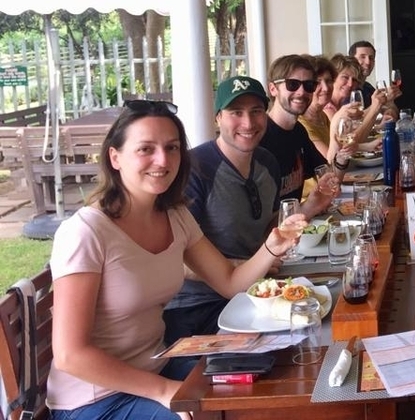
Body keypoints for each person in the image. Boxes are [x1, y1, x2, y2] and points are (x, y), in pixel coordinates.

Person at [47, 100, 304, 419]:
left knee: (266, 381)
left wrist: (271, 247)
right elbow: (71, 356)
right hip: (94, 400)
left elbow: (229, 282)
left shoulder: (175, 215)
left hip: (157, 366)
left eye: (172, 147)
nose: (162, 159)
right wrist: (164, 390)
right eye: (145, 149)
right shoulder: (86, 232)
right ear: (115, 157)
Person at [162, 76, 292, 376]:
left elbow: (268, 224)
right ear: (217, 117)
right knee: (269, 370)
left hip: (252, 296)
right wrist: (248, 265)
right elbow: (176, 260)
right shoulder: (195, 170)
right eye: (236, 112)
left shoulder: (267, 162)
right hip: (196, 309)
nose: (248, 122)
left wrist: (289, 230)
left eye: (256, 111)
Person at [259, 54, 332, 219]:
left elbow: (327, 175)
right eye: (292, 84)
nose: (301, 92)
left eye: (309, 85)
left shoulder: (298, 131)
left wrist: (342, 158)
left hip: (297, 229)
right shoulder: (259, 138)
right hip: (271, 239)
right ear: (273, 89)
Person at [349, 40, 401, 116]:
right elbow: (354, 118)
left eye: (371, 58)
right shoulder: (348, 88)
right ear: (352, 60)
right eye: (362, 57)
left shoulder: (367, 87)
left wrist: (389, 107)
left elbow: (392, 110)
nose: (368, 62)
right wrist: (384, 101)